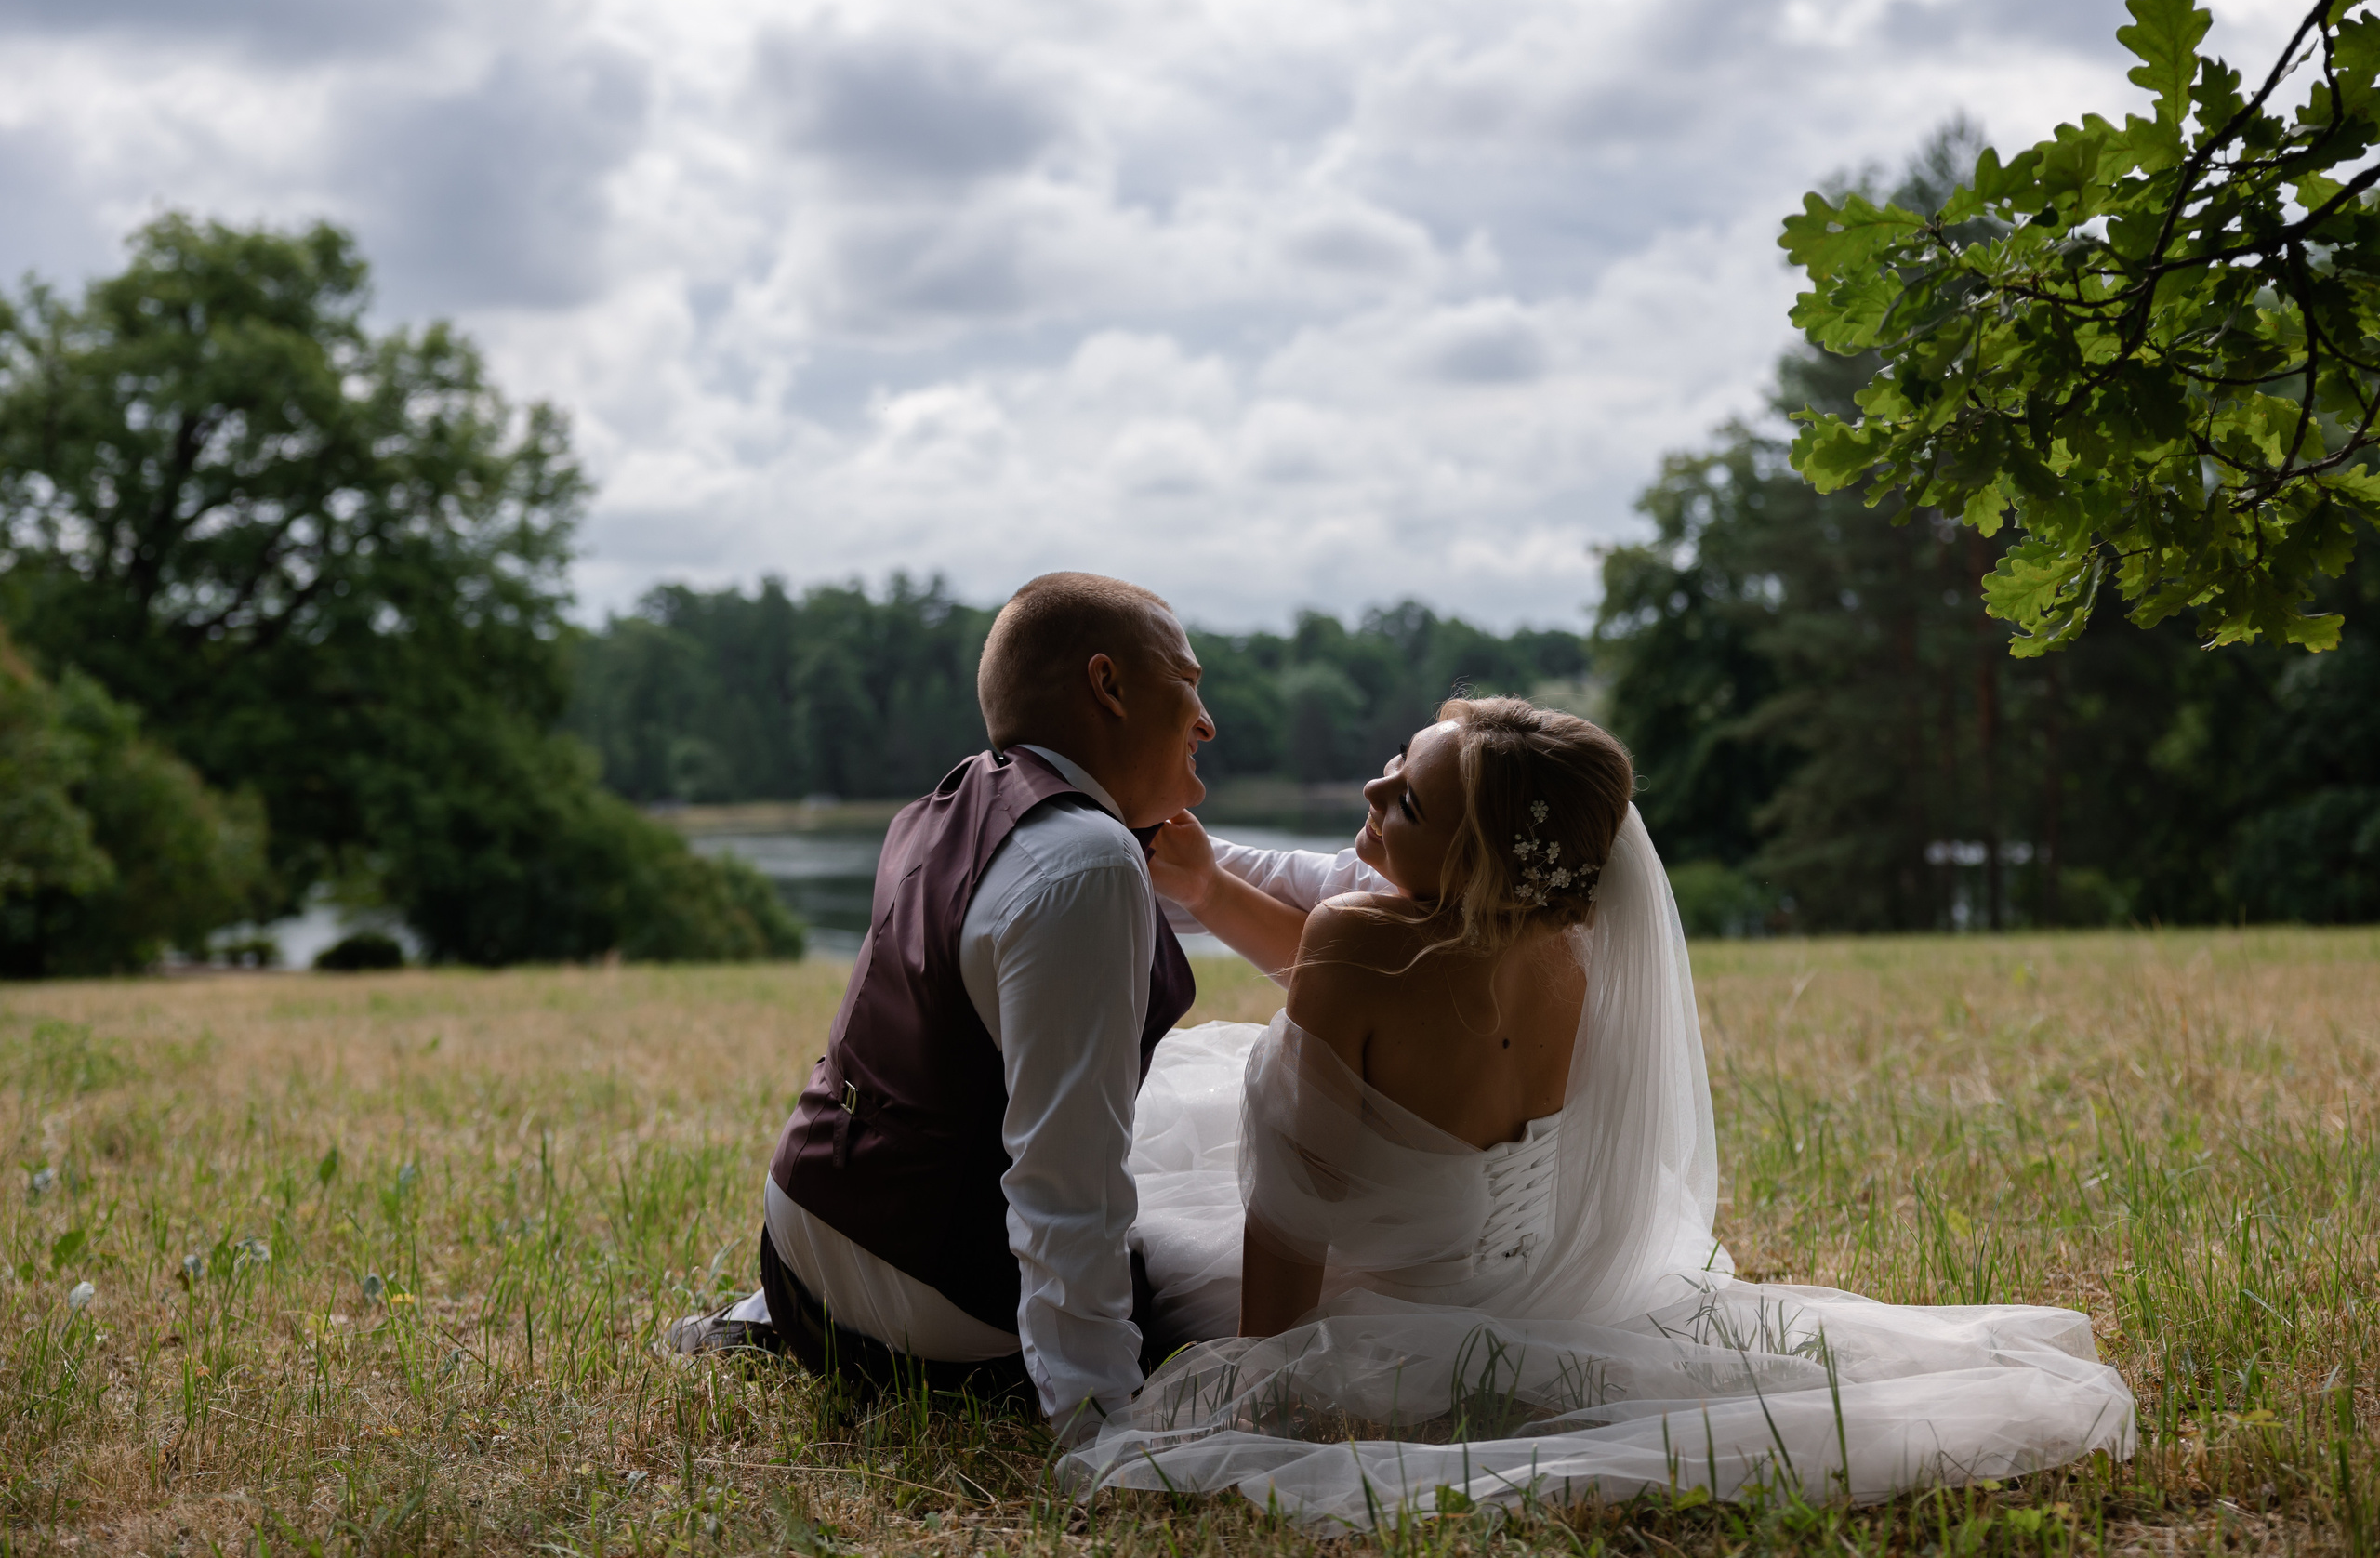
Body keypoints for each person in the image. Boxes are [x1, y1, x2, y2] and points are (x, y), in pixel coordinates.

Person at [1070, 696, 2135, 1527]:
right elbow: (1360, 1004)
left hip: (1381, 1318)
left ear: (1483, 865)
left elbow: (1289, 1214)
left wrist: (1269, 1380)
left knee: (1151, 1179)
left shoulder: (1358, 940)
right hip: (1522, 1283)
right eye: (1398, 767)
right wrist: (1210, 890)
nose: (1372, 784)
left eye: (1408, 800)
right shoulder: (1570, 946)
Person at [668, 572, 1213, 1444]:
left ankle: (767, 1322)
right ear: (1108, 685)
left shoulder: (952, 805)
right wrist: (1104, 1423)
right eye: (1187, 682)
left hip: (799, 1255)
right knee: (1197, 1289)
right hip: (931, 1305)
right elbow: (1064, 1182)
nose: (1206, 719)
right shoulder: (1089, 860)